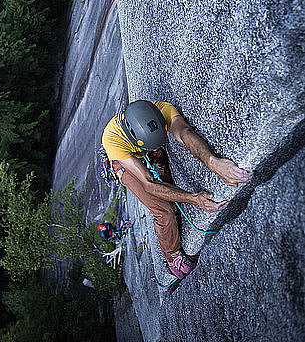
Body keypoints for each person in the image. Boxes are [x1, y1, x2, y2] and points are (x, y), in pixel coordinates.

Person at [102, 99, 253, 281]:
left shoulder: (161, 109)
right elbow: (149, 184)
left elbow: (184, 132)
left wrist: (213, 162)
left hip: (146, 147)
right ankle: (172, 258)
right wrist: (194, 198)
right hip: (124, 163)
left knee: (163, 170)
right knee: (165, 211)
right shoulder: (112, 140)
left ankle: (155, 155)